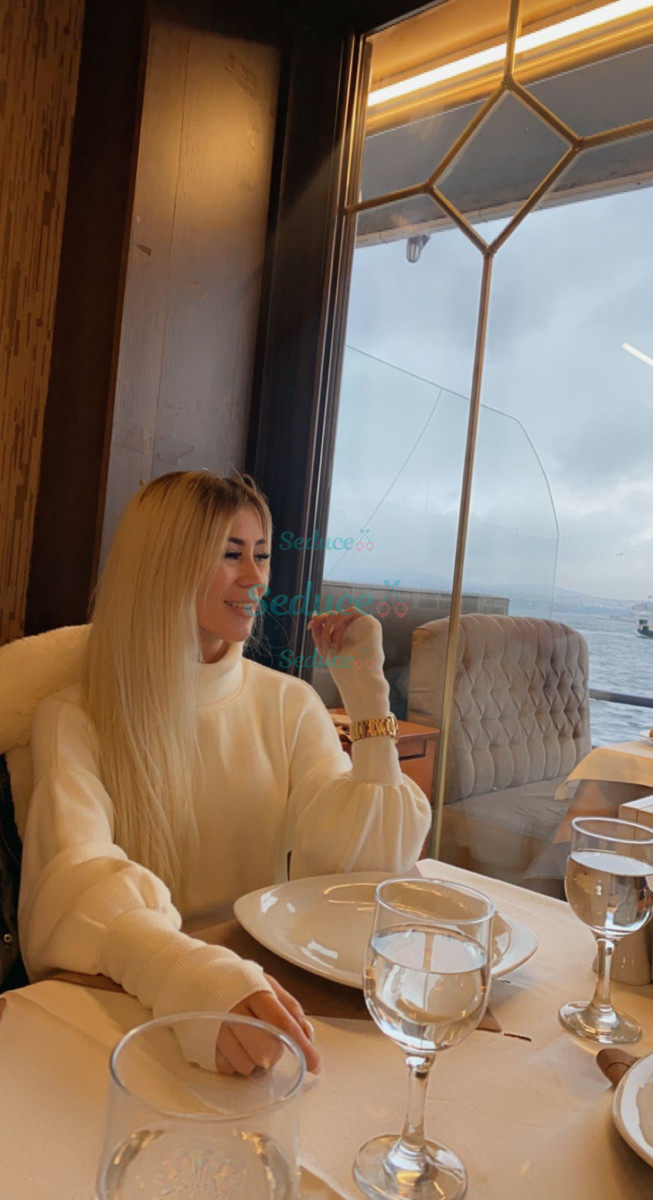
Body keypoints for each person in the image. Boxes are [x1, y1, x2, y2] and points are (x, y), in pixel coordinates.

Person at [18, 471, 431, 1073]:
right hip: (131, 997)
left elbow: (363, 873)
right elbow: (75, 875)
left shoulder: (290, 704)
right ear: (163, 564)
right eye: (231, 554)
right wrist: (184, 970)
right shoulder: (76, 717)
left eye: (261, 554)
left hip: (264, 998)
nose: (257, 578)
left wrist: (370, 698)